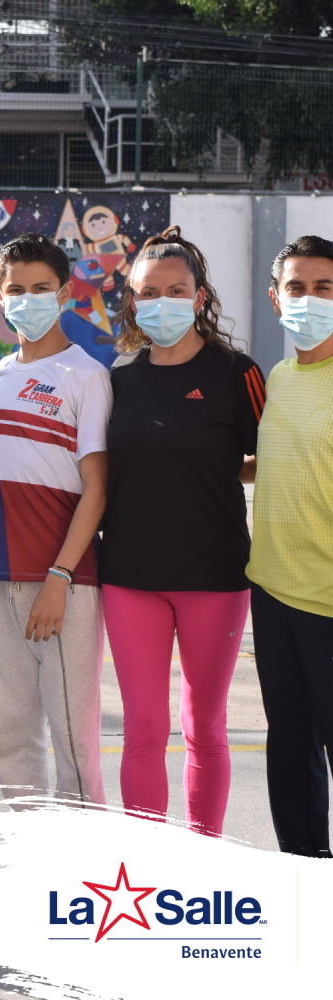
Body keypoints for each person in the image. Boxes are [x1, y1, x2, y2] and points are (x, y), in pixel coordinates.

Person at [100, 226, 265, 837]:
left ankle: (203, 858)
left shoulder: (237, 372)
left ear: (198, 297)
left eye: (175, 291)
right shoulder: (118, 376)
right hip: (129, 576)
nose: (162, 302)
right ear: (133, 299)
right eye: (149, 292)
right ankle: (148, 866)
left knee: (206, 727)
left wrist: (218, 467)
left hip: (215, 576)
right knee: (143, 729)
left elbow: (267, 458)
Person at [0, 233, 111, 813]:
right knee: (9, 736)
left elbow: (97, 488)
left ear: (64, 293)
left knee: (73, 738)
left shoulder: (87, 374)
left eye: (41, 288)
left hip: (63, 581)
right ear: (0, 296)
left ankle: (84, 858)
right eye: (16, 289)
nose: (27, 299)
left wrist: (60, 576)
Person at [246, 234, 333, 857]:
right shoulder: (277, 378)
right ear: (276, 299)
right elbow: (275, 461)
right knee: (290, 746)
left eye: (324, 288)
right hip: (273, 592)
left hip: (328, 599)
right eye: (297, 288)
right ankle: (304, 873)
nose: (309, 299)